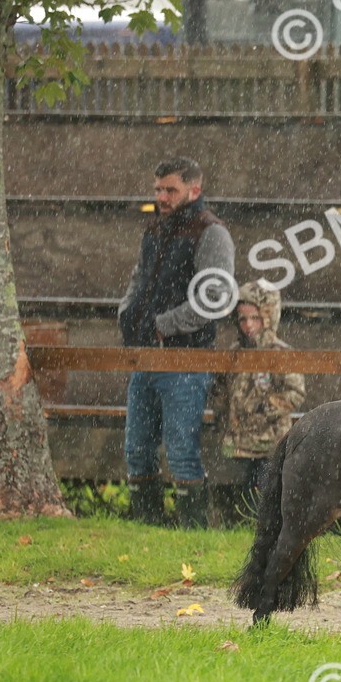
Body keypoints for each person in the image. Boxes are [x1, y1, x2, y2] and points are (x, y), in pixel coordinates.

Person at [119, 157, 235, 529]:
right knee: (137, 449)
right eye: (157, 189)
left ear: (194, 190)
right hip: (147, 355)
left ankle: (193, 533)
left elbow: (213, 299)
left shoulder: (211, 232)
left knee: (182, 451)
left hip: (187, 358)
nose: (161, 196)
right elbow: (137, 282)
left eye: (170, 189)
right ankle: (147, 528)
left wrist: (161, 326)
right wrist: (129, 315)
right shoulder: (154, 230)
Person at [210, 281, 306, 520]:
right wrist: (223, 415)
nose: (248, 325)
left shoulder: (280, 353)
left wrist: (263, 410)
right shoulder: (234, 352)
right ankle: (244, 524)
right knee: (244, 488)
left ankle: (266, 525)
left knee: (268, 487)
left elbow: (295, 393)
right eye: (242, 319)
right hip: (239, 440)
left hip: (270, 439)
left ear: (269, 316)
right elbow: (222, 389)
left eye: (254, 318)